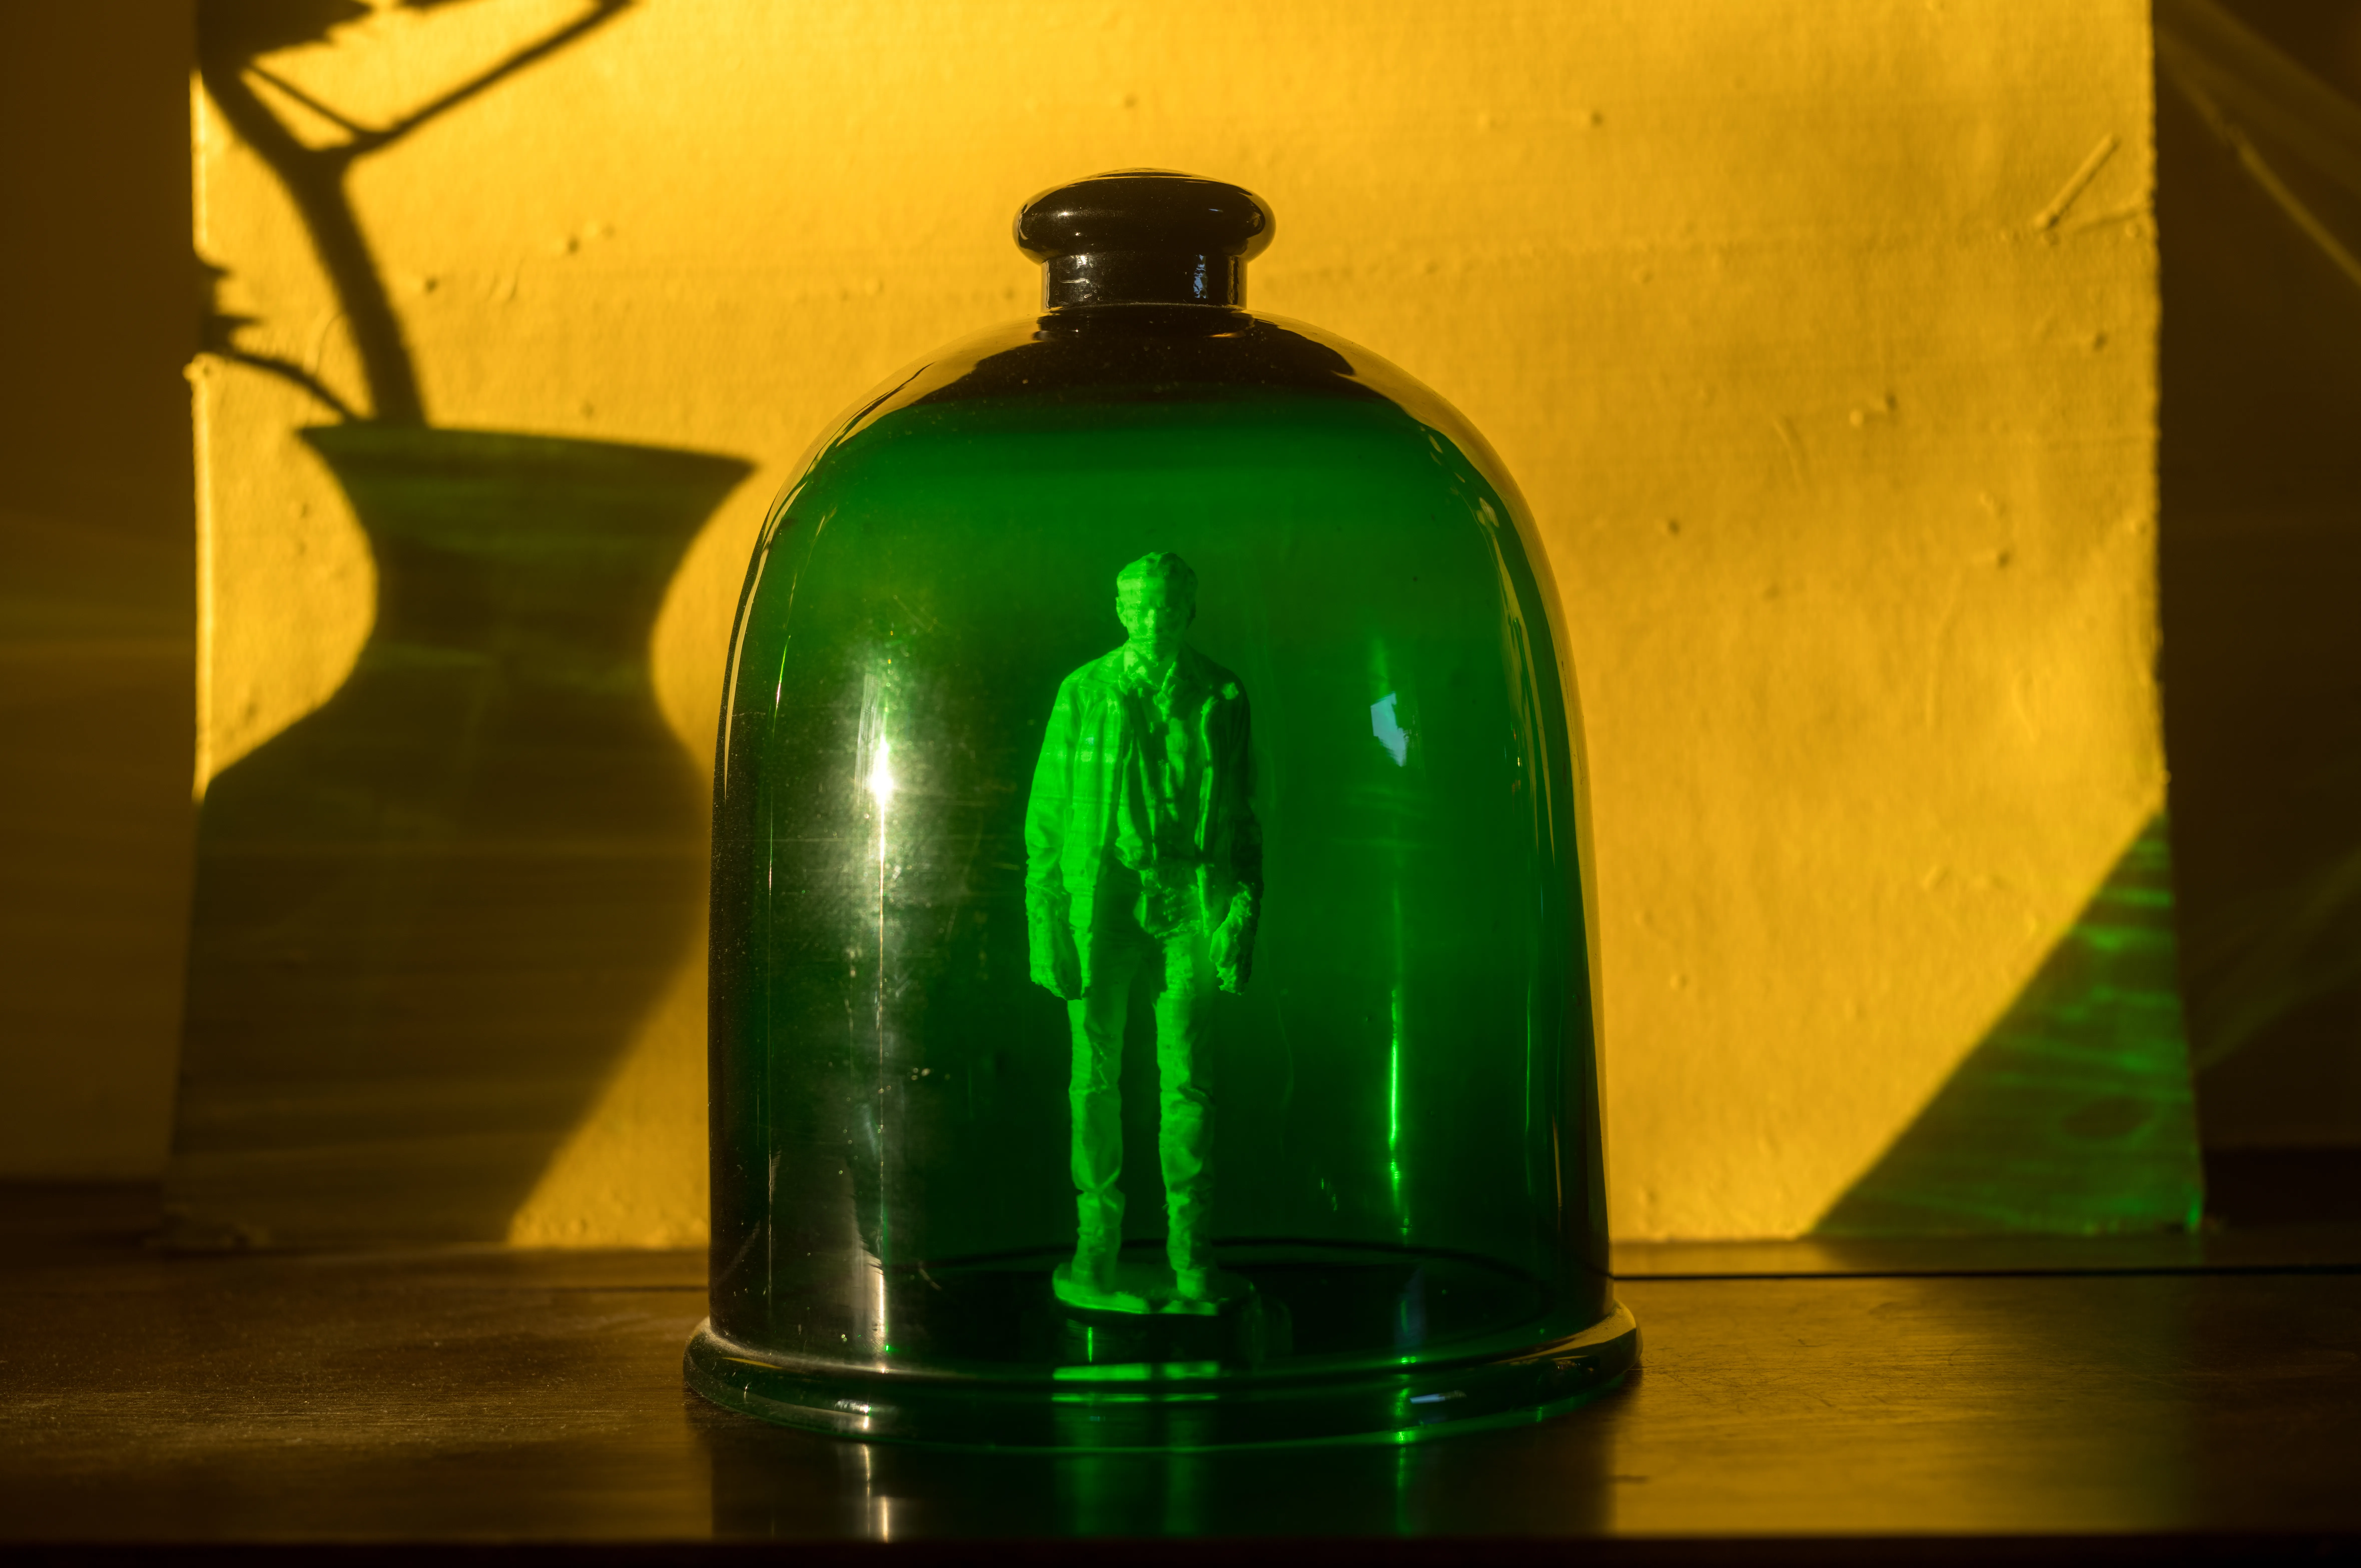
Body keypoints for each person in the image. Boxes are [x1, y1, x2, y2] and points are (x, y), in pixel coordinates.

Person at [1024, 552, 1262, 1306]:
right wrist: (1048, 926)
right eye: (1139, 605)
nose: (1152, 618)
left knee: (1188, 1083)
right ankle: (1098, 1242)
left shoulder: (1220, 695)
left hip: (1187, 902)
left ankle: (1191, 1248)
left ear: (1189, 609)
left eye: (1166, 605)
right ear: (1119, 610)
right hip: (1103, 905)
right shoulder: (1085, 692)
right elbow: (1047, 823)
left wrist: (1241, 917)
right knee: (1093, 1082)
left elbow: (1245, 821)